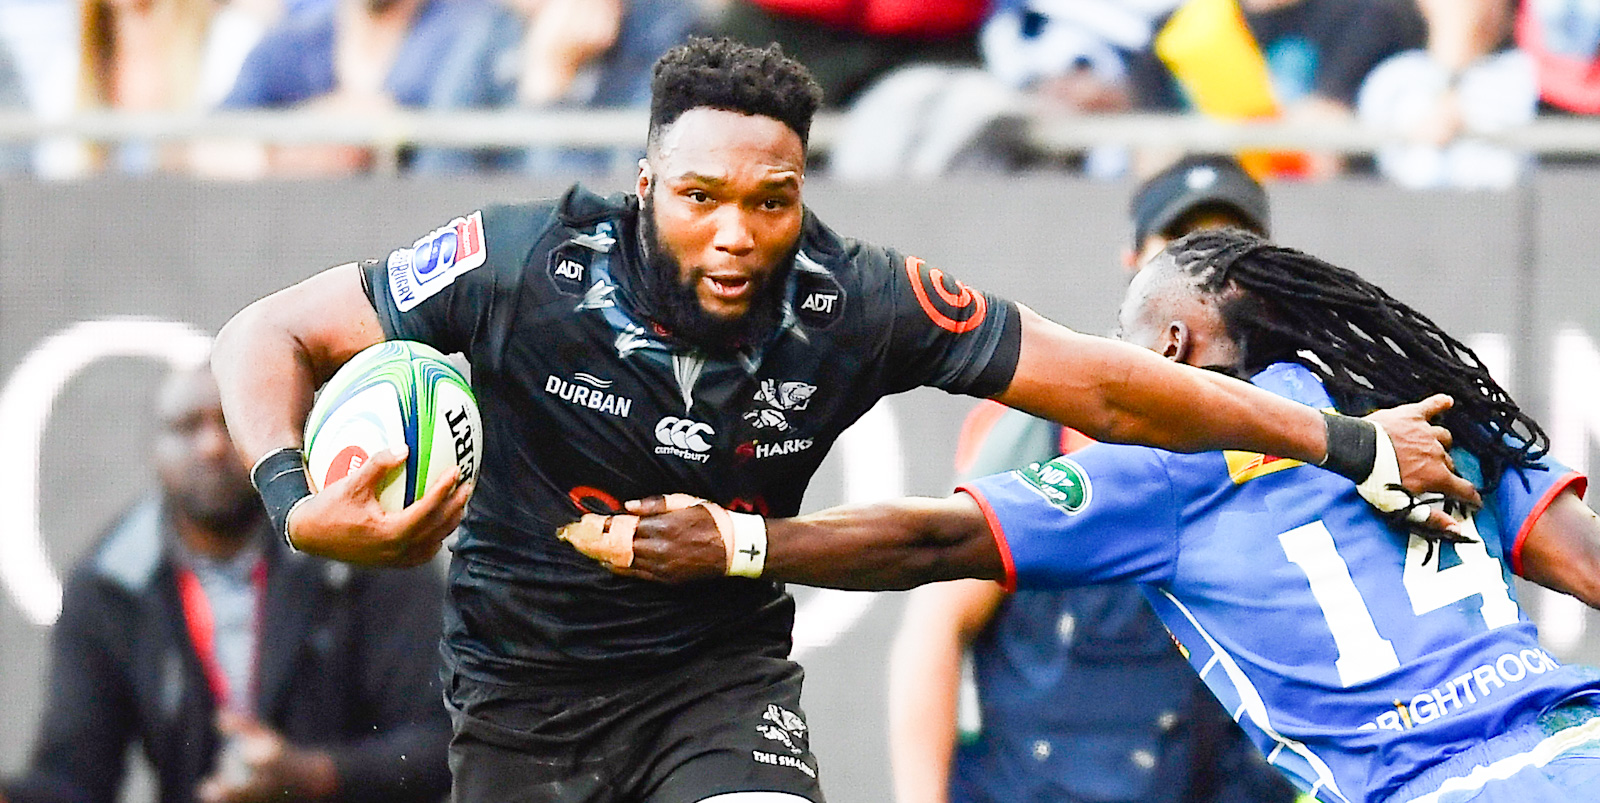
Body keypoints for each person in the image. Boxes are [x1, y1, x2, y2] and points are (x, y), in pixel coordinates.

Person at [209, 38, 1472, 803]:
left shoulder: (856, 299)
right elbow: (267, 333)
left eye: (769, 200)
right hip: (516, 695)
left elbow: (1100, 382)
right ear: (646, 184)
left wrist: (1344, 439)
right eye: (699, 196)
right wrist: (296, 504)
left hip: (715, 683)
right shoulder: (519, 263)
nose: (735, 233)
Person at [581, 228, 1600, 802]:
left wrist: (741, 540)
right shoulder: (1420, 406)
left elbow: (937, 538)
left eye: (1123, 342)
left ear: (1167, 349)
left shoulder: (1161, 465)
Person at [888, 155, 1293, 803]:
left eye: (1231, 247)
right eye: (1180, 242)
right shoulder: (1052, 413)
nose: (1207, 269)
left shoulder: (1304, 424)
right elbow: (939, 621)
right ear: (1135, 259)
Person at [0, 365, 452, 803]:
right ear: (153, 451)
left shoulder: (361, 546)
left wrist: (313, 776)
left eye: (230, 425)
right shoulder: (110, 585)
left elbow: (440, 744)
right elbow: (76, 776)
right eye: (185, 426)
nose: (212, 447)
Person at [218, 0, 504, 176]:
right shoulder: (295, 39)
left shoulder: (470, 30)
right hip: (291, 233)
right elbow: (207, 141)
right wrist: (285, 151)